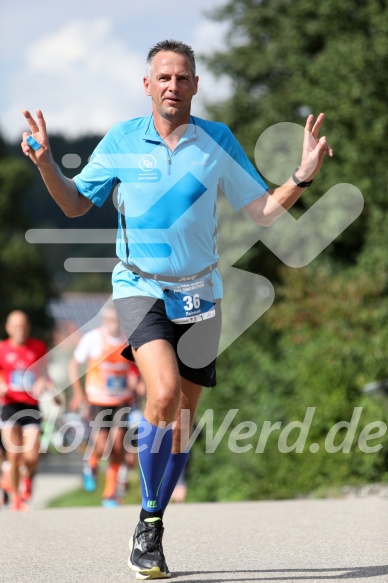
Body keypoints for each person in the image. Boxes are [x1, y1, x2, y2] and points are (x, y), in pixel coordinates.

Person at [21, 39, 332, 578]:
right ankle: (147, 521)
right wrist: (47, 162)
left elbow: (259, 213)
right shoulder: (121, 140)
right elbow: (74, 205)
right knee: (161, 394)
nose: (172, 85)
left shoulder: (216, 141)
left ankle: (154, 523)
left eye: (182, 77)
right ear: (148, 85)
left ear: (194, 85)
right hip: (139, 285)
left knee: (183, 419)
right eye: (163, 77)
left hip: (201, 291)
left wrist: (301, 176)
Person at [68, 303, 142, 507]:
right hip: (98, 400)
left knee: (118, 445)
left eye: (117, 321)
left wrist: (138, 382)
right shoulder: (92, 339)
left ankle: (110, 493)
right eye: (110, 321)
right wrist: (78, 393)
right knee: (101, 446)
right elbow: (74, 365)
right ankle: (91, 464)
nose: (114, 325)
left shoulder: (129, 340)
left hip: (121, 400)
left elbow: (137, 368)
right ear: (104, 321)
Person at [0, 310, 51, 511]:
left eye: (23, 325)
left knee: (31, 457)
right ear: (8, 328)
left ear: (27, 327)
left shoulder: (38, 347)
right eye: (15, 326)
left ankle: (27, 478)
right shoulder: (2, 349)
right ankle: (16, 497)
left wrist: (42, 382)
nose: (20, 330)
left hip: (31, 406)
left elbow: (44, 373)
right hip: (10, 406)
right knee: (13, 455)